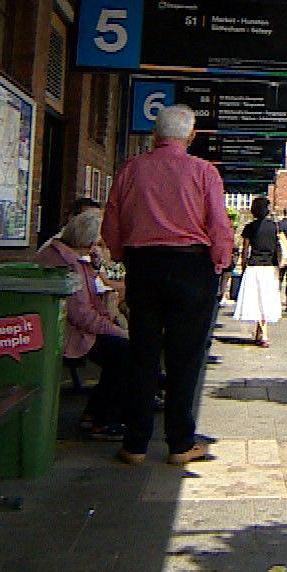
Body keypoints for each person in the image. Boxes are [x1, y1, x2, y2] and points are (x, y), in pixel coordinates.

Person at [102, 104, 234, 467]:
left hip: (144, 265)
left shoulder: (130, 169)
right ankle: (179, 442)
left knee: (143, 352)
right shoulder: (204, 172)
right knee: (185, 357)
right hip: (192, 266)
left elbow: (111, 220)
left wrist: (121, 255)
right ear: (191, 136)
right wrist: (221, 262)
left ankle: (135, 443)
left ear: (155, 135)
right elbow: (219, 226)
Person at [38, 200, 134, 439]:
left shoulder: (72, 256)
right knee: (124, 352)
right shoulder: (65, 263)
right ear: (89, 241)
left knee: (124, 349)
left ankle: (97, 413)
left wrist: (95, 266)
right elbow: (83, 316)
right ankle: (102, 419)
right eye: (98, 242)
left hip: (73, 328)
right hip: (68, 333)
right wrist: (116, 330)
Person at [233, 196, 287, 347]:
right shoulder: (275, 227)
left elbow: (245, 250)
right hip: (270, 267)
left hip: (254, 267)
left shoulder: (249, 227)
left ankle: (263, 335)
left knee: (257, 300)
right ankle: (261, 333)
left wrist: (243, 267)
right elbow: (285, 245)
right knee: (266, 299)